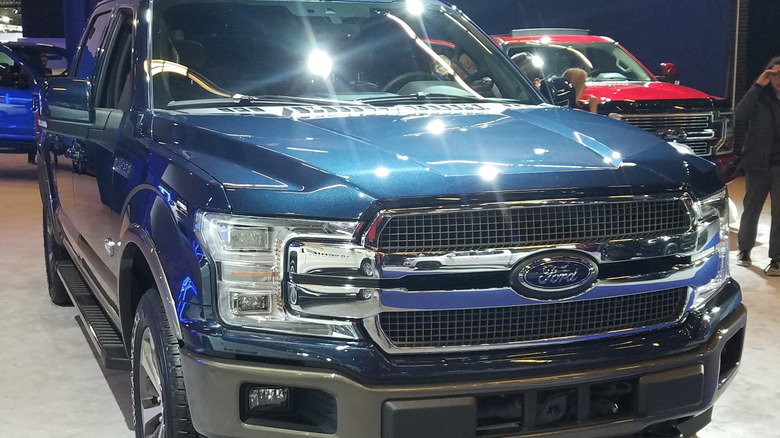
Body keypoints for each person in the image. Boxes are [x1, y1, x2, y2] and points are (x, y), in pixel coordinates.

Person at [735, 55, 780, 275]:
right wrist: (757, 85)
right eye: (774, 74)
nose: (779, 79)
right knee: (752, 209)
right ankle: (744, 249)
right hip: (757, 164)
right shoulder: (759, 98)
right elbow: (739, 114)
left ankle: (777, 259)